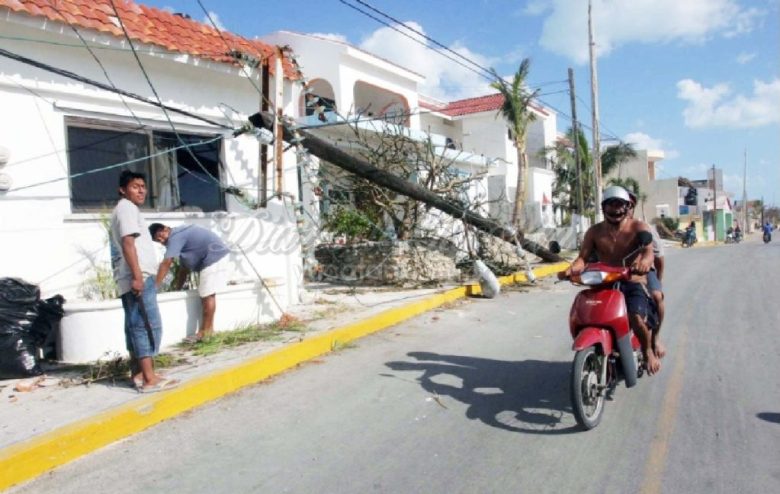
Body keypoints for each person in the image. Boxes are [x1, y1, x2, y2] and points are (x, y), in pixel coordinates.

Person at [564, 186, 660, 374]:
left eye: (619, 205)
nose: (615, 209)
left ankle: (648, 350)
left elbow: (648, 253)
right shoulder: (594, 232)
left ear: (627, 207)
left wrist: (645, 262)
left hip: (631, 280)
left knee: (635, 316)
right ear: (603, 208)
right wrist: (572, 268)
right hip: (604, 279)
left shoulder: (639, 227)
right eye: (610, 205)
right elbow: (583, 257)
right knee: (589, 311)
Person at [111, 170, 177, 392]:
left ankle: (140, 374)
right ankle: (149, 379)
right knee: (145, 325)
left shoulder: (129, 210)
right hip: (138, 277)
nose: (141, 190)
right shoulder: (126, 208)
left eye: (143, 186)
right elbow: (128, 243)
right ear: (123, 190)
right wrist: (138, 277)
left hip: (138, 275)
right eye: (135, 186)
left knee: (136, 324)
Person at [149, 223, 231, 342]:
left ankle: (205, 331)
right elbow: (184, 269)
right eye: (158, 241)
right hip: (215, 256)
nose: (161, 241)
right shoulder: (179, 238)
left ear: (165, 228)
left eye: (160, 236)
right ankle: (209, 331)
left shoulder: (175, 236)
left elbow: (166, 262)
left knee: (207, 294)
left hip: (214, 257)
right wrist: (178, 289)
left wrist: (154, 286)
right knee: (206, 293)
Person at [627, 191, 666, 361]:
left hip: (643, 272)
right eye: (614, 204)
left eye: (627, 205)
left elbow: (658, 257)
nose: (621, 208)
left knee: (657, 297)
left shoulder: (644, 228)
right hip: (615, 273)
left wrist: (658, 280)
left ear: (632, 208)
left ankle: (655, 338)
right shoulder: (604, 229)